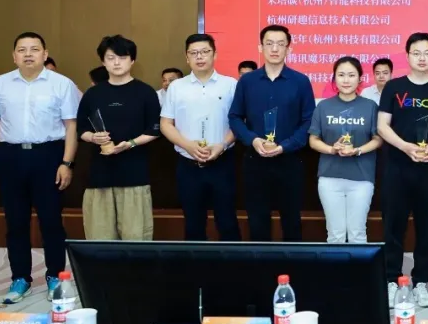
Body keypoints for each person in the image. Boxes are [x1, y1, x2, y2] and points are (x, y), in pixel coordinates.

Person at [0, 32, 78, 304]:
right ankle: (20, 278)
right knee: (15, 222)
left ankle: (55, 276)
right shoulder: (0, 84)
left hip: (49, 156)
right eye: (22, 50)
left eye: (34, 49)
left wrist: (66, 163)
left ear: (45, 54)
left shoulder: (62, 84)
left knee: (51, 221)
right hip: (10, 157)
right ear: (14, 56)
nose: (28, 54)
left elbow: (71, 126)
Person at [376, 32, 428, 308]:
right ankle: (391, 281)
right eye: (416, 53)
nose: (422, 58)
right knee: (393, 227)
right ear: (408, 55)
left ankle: (421, 282)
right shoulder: (394, 87)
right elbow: (382, 126)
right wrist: (406, 147)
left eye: (427, 53)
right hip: (397, 169)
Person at [229, 25, 315, 242]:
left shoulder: (301, 81)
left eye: (280, 44)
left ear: (289, 49)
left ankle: (292, 264)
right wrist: (253, 140)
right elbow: (235, 117)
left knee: (292, 222)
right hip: (255, 160)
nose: (274, 49)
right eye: (269, 43)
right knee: (257, 221)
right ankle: (261, 264)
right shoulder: (247, 81)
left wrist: (286, 146)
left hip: (290, 160)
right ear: (260, 47)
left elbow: (309, 121)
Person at [77, 35, 161, 240]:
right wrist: (93, 138)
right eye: (111, 57)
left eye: (122, 57)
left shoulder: (146, 92)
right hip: (99, 176)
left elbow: (154, 130)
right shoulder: (93, 94)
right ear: (103, 61)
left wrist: (130, 144)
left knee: (135, 236)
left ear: (132, 60)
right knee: (99, 236)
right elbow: (81, 129)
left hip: (134, 175)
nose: (116, 62)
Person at [159, 34, 241, 241]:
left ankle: (233, 263)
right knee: (193, 223)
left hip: (223, 162)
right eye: (194, 53)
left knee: (228, 222)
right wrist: (188, 145)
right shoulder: (176, 87)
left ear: (215, 54)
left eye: (205, 51)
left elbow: (239, 123)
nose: (199, 57)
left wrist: (222, 145)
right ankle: (195, 263)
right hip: (188, 164)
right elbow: (166, 124)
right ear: (187, 58)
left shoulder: (230, 85)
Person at [308, 57, 382, 243]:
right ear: (334, 79)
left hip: (361, 178)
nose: (346, 80)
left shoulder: (370, 106)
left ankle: (359, 265)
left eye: (351, 75)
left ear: (360, 79)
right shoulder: (323, 106)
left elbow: (378, 139)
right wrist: (332, 149)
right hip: (330, 177)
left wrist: (357, 150)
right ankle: (337, 265)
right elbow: (313, 140)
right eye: (341, 75)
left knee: (357, 233)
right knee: (335, 234)